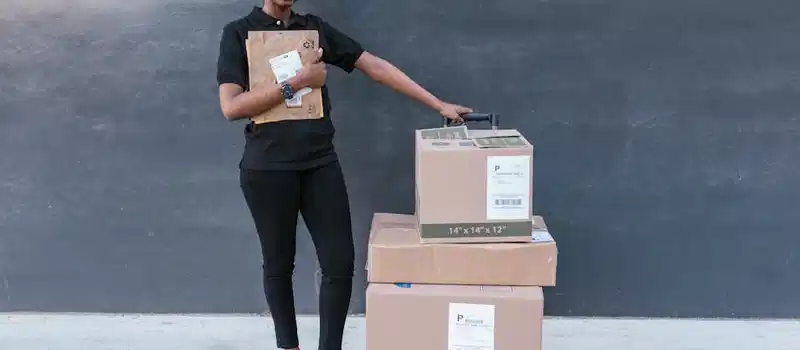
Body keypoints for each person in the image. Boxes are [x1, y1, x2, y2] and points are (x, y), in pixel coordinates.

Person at [215, 1, 472, 349]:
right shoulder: (238, 33)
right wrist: (298, 81)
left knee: (339, 264)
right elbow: (231, 106)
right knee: (278, 264)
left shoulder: (313, 30)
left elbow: (375, 67)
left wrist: (438, 104)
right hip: (267, 168)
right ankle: (288, 345)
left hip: (320, 162)